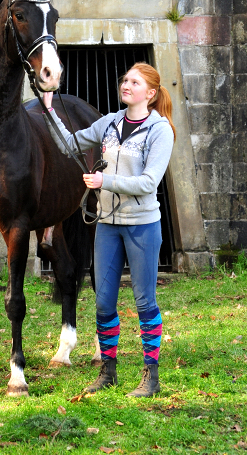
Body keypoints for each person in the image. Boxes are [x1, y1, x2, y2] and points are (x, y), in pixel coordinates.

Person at [42, 62, 176, 397]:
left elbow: (148, 183)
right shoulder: (111, 122)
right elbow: (68, 144)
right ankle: (108, 372)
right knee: (103, 303)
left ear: (151, 93)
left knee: (145, 301)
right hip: (107, 226)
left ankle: (151, 378)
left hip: (142, 226)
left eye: (135, 81)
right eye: (125, 80)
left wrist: (105, 181)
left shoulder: (160, 130)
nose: (126, 84)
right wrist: (48, 108)